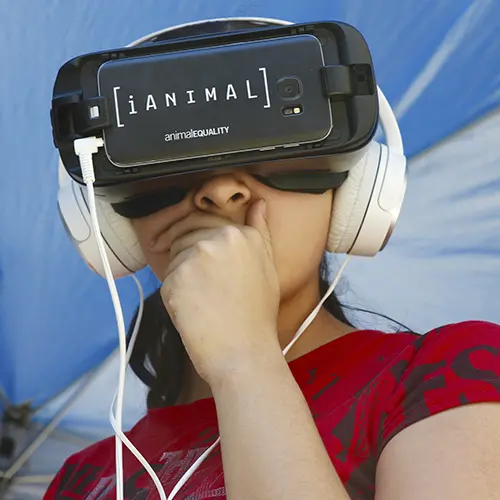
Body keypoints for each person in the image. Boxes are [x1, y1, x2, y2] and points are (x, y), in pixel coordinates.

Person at [44, 19, 500, 500]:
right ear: (109, 222)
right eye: (166, 164)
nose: (220, 190)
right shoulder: (82, 478)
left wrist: (247, 361)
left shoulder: (450, 372)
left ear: (354, 190)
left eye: (275, 151)